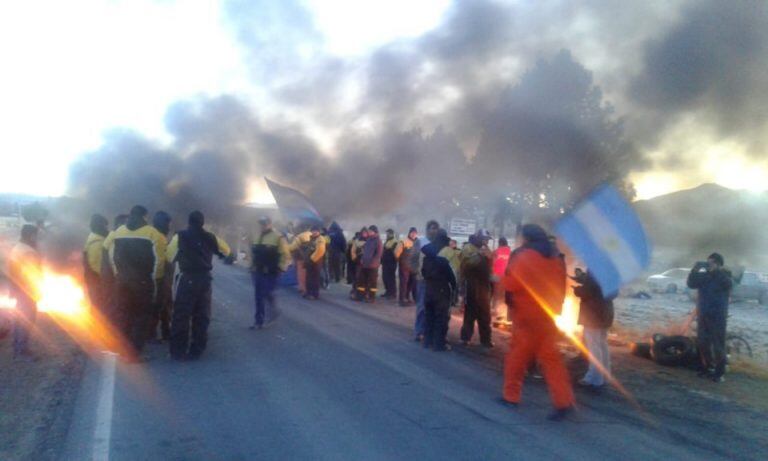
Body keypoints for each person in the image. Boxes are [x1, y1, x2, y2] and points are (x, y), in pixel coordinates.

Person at [502, 224, 575, 421]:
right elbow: (562, 288)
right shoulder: (556, 258)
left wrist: (502, 279)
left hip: (526, 317)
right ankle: (564, 401)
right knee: (552, 360)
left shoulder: (524, 256)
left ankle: (511, 396)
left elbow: (512, 284)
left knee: (517, 357)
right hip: (548, 316)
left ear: (526, 238)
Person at [166, 211, 230, 360]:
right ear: (202, 222)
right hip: (205, 280)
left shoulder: (180, 236)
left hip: (187, 278)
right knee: (202, 316)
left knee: (181, 315)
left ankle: (178, 351)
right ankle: (197, 350)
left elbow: (169, 256)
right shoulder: (210, 237)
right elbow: (226, 250)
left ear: (189, 222)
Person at [107, 205, 167, 362]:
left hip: (122, 280)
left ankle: (123, 349)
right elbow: (159, 260)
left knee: (124, 314)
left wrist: (118, 275)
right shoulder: (153, 234)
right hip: (143, 281)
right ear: (145, 216)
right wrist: (154, 279)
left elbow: (111, 256)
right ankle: (134, 353)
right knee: (141, 316)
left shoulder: (118, 232)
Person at [687, 253, 733, 382]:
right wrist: (694, 270)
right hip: (703, 313)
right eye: (707, 262)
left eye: (711, 263)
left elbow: (728, 284)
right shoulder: (704, 276)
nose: (708, 265)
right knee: (702, 343)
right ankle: (708, 367)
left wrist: (716, 272)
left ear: (718, 264)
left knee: (718, 345)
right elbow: (691, 284)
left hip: (717, 316)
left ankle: (719, 373)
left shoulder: (724, 276)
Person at [573, 269, 614, 389]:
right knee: (602, 344)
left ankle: (594, 378)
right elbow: (598, 287)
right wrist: (583, 278)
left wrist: (577, 290)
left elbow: (588, 291)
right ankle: (605, 376)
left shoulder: (595, 269)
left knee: (594, 347)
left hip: (593, 314)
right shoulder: (611, 270)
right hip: (605, 311)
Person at [6, 225, 41, 361]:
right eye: (35, 235)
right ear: (30, 235)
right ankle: (22, 352)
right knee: (26, 321)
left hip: (18, 289)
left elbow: (12, 270)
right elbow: (31, 274)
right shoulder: (28, 252)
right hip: (26, 291)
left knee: (19, 320)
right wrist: (36, 292)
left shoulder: (17, 248)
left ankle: (17, 347)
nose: (36, 238)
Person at [250, 216, 289, 329]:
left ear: (270, 224)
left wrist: (281, 268)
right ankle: (258, 321)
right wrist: (251, 266)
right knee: (258, 296)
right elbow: (255, 254)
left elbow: (285, 254)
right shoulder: (257, 237)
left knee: (267, 293)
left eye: (265, 223)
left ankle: (273, 310)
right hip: (258, 271)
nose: (263, 226)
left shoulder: (278, 237)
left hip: (272, 272)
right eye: (261, 224)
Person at [422, 230, 456, 351]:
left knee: (429, 316)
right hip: (442, 290)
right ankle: (439, 344)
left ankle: (427, 341)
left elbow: (423, 273)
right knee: (441, 318)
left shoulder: (426, 253)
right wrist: (456, 289)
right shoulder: (447, 253)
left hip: (429, 289)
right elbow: (453, 274)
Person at [460, 229, 494, 348]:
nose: (486, 242)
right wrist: (479, 254)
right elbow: (466, 264)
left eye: (487, 240)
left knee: (485, 314)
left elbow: (491, 264)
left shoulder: (486, 248)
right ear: (479, 238)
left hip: (484, 285)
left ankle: (485, 340)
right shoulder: (468, 248)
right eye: (484, 239)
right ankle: (465, 338)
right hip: (471, 284)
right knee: (470, 312)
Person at [414, 220, 440, 341]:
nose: (434, 230)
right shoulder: (421, 242)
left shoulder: (439, 243)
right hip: (423, 280)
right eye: (432, 228)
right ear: (427, 229)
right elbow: (412, 258)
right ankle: (419, 331)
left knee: (434, 307)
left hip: (436, 280)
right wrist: (417, 271)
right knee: (422, 307)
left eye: (436, 228)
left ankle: (430, 331)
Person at [149, 211, 173, 343]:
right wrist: (158, 279)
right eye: (168, 224)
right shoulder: (158, 237)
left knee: (164, 305)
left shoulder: (154, 235)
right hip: (160, 278)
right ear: (161, 224)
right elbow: (160, 260)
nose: (169, 227)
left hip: (161, 278)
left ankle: (164, 331)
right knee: (159, 305)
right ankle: (154, 333)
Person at [83, 214, 109, 314]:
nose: (106, 229)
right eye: (105, 226)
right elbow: (97, 266)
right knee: (100, 308)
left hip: (94, 280)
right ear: (100, 226)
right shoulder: (97, 242)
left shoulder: (93, 237)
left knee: (97, 307)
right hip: (98, 281)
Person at [358, 225, 383, 303]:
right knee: (363, 280)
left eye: (370, 231)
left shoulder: (378, 241)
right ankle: (362, 295)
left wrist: (373, 262)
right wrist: (362, 259)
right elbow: (365, 251)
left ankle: (372, 297)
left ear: (375, 232)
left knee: (372, 282)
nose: (369, 232)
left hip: (373, 265)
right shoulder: (368, 240)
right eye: (369, 231)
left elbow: (379, 254)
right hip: (365, 264)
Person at [395, 227, 419, 306]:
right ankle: (402, 300)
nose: (413, 234)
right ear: (409, 233)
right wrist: (400, 261)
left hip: (414, 267)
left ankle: (407, 297)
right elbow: (397, 253)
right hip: (404, 266)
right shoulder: (403, 241)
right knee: (404, 283)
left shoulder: (418, 242)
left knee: (411, 283)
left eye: (415, 233)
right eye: (412, 233)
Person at [301, 226, 326, 300]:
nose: (314, 232)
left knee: (314, 278)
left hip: (316, 262)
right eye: (313, 231)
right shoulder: (311, 239)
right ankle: (308, 292)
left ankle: (314, 294)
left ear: (319, 231)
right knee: (308, 277)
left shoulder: (320, 239)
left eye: (316, 231)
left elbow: (320, 251)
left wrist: (312, 260)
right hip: (309, 261)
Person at [492, 237, 512, 316]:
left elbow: (492, 262)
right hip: (506, 275)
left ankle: (495, 309)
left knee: (496, 293)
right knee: (503, 293)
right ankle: (502, 310)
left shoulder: (496, 251)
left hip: (496, 274)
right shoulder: (510, 252)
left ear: (499, 243)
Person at [381, 228, 398, 299]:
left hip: (391, 263)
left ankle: (392, 293)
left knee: (391, 278)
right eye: (386, 233)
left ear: (391, 234)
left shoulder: (395, 241)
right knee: (385, 277)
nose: (387, 235)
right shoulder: (387, 241)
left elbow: (395, 253)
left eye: (388, 233)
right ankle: (387, 291)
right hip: (385, 262)